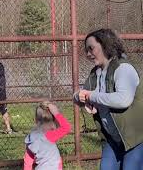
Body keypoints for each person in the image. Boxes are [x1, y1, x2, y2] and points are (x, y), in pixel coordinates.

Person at [73, 28, 143, 170]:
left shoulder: (123, 68)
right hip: (113, 139)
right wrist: (80, 98)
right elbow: (80, 94)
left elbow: (123, 99)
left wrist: (92, 96)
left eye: (91, 48)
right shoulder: (95, 73)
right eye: (86, 50)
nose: (88, 54)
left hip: (135, 139)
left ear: (105, 45)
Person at [23, 101, 71, 170]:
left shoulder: (30, 138)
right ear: (52, 122)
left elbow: (28, 161)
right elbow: (66, 127)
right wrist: (56, 113)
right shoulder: (50, 135)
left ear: (36, 120)